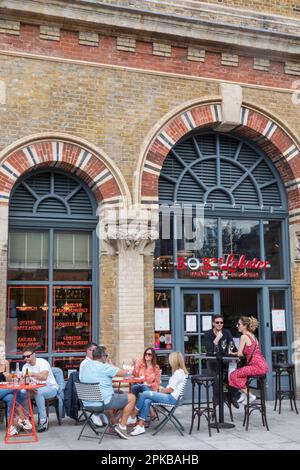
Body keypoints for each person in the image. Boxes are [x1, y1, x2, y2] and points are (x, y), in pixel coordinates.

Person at [79, 346, 136, 440]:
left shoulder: (85, 365)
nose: (106, 357)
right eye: (106, 355)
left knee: (119, 392)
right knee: (132, 397)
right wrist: (113, 365)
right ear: (102, 356)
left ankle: (114, 425)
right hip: (102, 402)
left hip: (87, 402)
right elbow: (125, 373)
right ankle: (122, 427)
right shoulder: (104, 366)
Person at [130, 352, 187, 436]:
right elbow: (171, 389)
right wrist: (161, 390)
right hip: (171, 397)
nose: (168, 361)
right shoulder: (180, 372)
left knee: (145, 393)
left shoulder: (178, 373)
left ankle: (133, 414)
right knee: (147, 401)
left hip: (172, 399)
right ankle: (140, 426)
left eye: (170, 359)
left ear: (174, 361)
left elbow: (170, 390)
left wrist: (159, 391)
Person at [229, 316, 269, 404]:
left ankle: (250, 396)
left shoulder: (243, 336)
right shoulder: (253, 336)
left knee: (233, 375)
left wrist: (234, 353)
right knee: (242, 374)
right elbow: (248, 352)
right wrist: (233, 354)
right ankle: (244, 393)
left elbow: (240, 354)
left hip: (256, 366)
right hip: (263, 365)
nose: (237, 326)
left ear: (245, 326)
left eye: (239, 324)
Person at [204, 314, 239, 408]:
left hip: (224, 361)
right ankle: (216, 404)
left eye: (221, 322)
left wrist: (233, 352)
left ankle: (232, 396)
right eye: (217, 322)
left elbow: (233, 348)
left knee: (236, 373)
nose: (219, 324)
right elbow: (209, 351)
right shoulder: (207, 334)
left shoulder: (227, 332)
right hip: (213, 362)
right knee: (216, 381)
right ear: (213, 323)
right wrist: (217, 338)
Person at [21, 346, 58, 432]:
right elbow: (25, 382)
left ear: (34, 354)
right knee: (22, 393)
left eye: (28, 356)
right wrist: (29, 388)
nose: (26, 358)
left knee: (38, 392)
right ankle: (26, 420)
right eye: (24, 357)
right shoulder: (25, 367)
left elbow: (44, 377)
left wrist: (32, 374)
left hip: (51, 388)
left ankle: (43, 421)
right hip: (35, 389)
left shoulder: (42, 362)